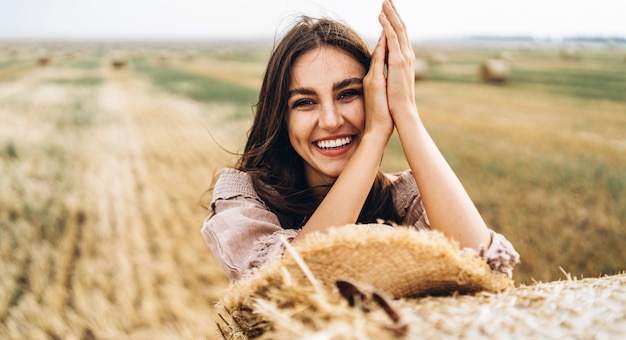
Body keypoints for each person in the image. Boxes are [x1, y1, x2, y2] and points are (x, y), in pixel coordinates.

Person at [201, 0, 519, 284]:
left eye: (348, 94)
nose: (330, 120)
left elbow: (485, 272)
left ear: (373, 96)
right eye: (304, 102)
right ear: (280, 116)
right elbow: (287, 283)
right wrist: (373, 137)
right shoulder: (246, 200)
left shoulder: (402, 198)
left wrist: (406, 113)